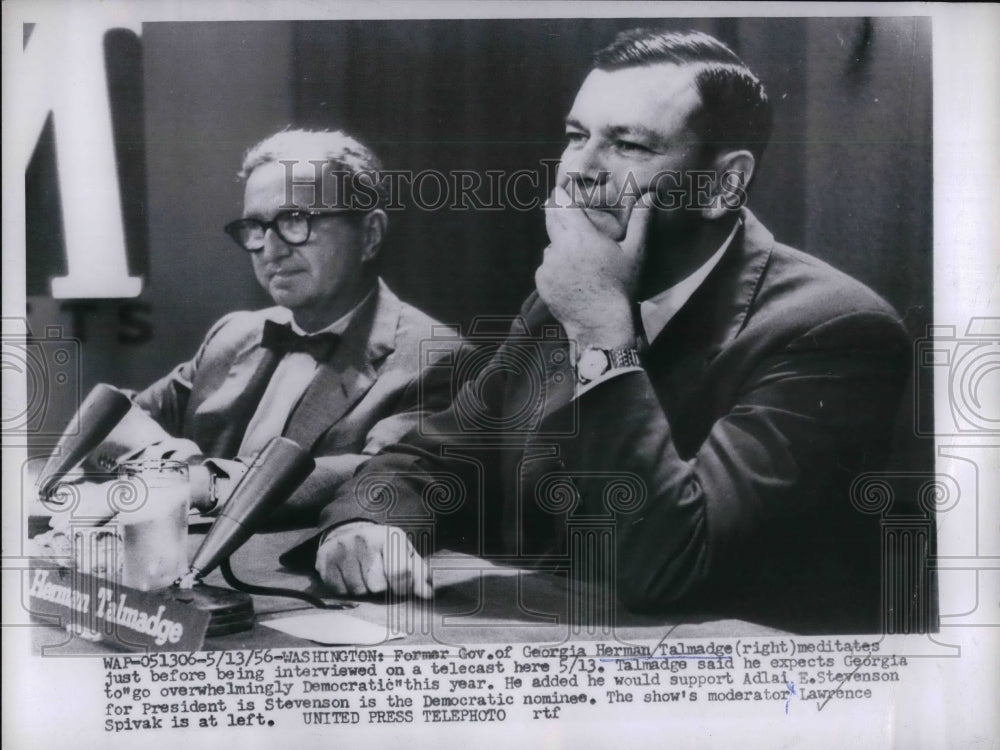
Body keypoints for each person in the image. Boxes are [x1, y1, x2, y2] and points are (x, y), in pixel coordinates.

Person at [297, 29, 911, 631]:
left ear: (724, 183)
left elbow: (670, 568)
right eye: (575, 137)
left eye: (629, 146)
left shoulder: (835, 330)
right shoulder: (555, 301)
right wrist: (366, 524)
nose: (578, 170)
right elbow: (431, 458)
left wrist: (599, 331)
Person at [79, 129, 458, 529]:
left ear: (370, 235)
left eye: (295, 220)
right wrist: (174, 469)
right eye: (256, 227)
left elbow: (384, 479)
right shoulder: (234, 334)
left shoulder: (435, 357)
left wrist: (208, 483)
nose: (271, 250)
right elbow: (111, 419)